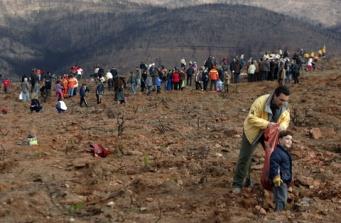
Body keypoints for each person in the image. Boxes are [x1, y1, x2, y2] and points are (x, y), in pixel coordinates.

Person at [232, 86, 291, 194]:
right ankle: (238, 183)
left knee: (276, 157)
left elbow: (286, 119)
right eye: (281, 100)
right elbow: (251, 118)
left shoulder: (285, 106)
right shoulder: (261, 102)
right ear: (275, 95)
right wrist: (268, 124)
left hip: (270, 134)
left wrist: (282, 126)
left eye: (285, 100)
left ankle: (274, 183)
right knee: (245, 158)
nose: (283, 103)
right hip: (253, 132)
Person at [269, 131, 293, 212]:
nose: (289, 141)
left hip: (284, 180)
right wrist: (276, 176)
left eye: (291, 139)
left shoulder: (284, 153)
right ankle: (277, 216)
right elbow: (274, 164)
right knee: (281, 199)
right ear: (279, 140)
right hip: (279, 181)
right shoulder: (277, 152)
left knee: (282, 198)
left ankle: (278, 215)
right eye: (287, 139)